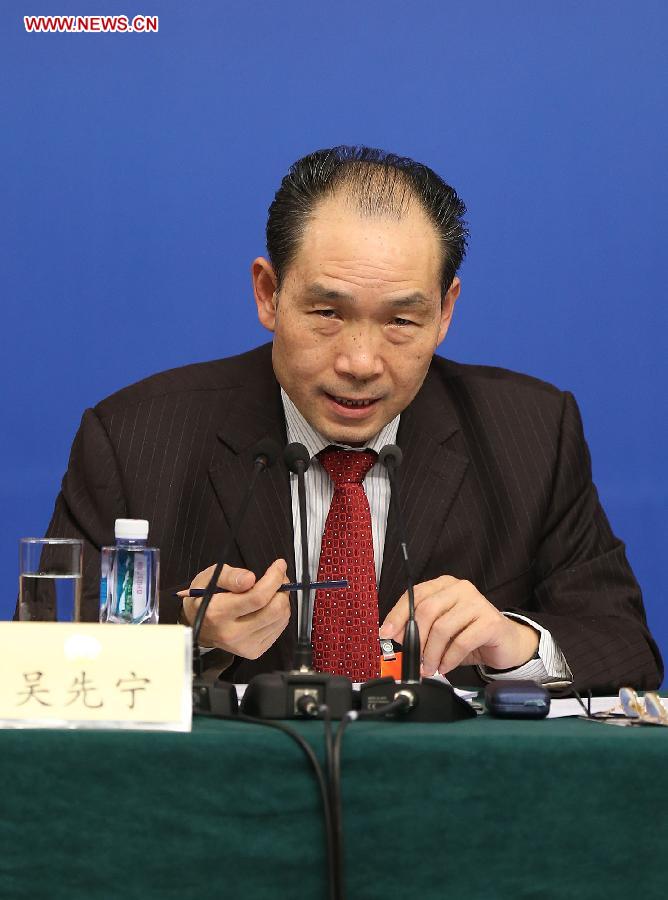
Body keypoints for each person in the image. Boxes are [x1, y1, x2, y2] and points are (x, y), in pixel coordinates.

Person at [39, 146, 662, 692]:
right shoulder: (134, 437)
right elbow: (43, 663)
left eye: (401, 321)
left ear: (445, 313)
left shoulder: (531, 433)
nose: (361, 363)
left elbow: (626, 648)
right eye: (328, 313)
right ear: (268, 294)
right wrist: (186, 638)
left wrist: (513, 646)